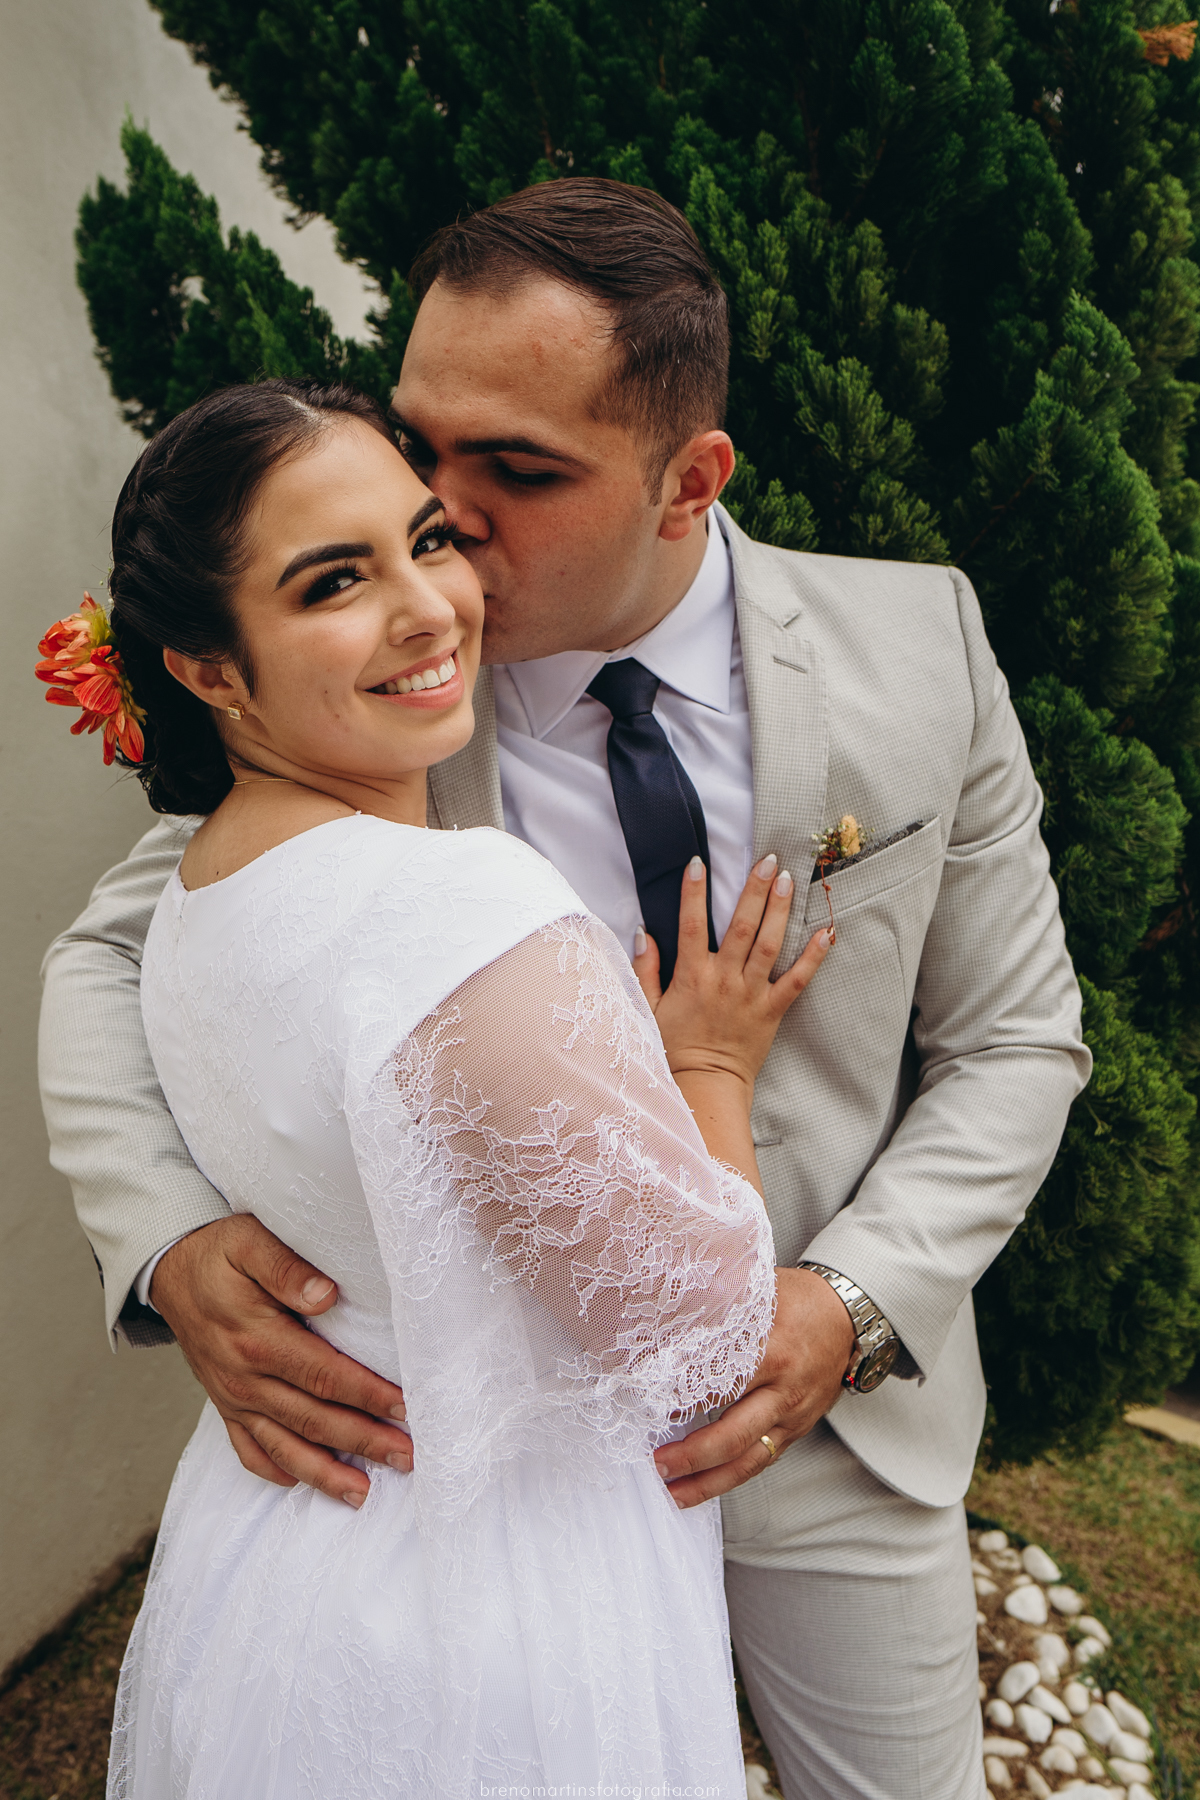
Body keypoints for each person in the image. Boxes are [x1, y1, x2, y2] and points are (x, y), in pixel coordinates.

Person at [40, 181, 1091, 1800]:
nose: (440, 517)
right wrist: (171, 1244)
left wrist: (851, 1305)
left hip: (833, 1437)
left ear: (692, 480)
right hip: (488, 1477)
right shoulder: (377, 691)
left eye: (517, 472)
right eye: (421, 444)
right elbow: (122, 945)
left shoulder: (919, 644)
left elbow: (1019, 1040)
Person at [84, 375, 830, 1796]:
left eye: (427, 541)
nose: (429, 607)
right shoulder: (455, 908)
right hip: (490, 1615)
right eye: (334, 583)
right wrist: (710, 1061)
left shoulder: (202, 892)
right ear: (210, 669)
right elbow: (704, 1342)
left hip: (280, 1567)